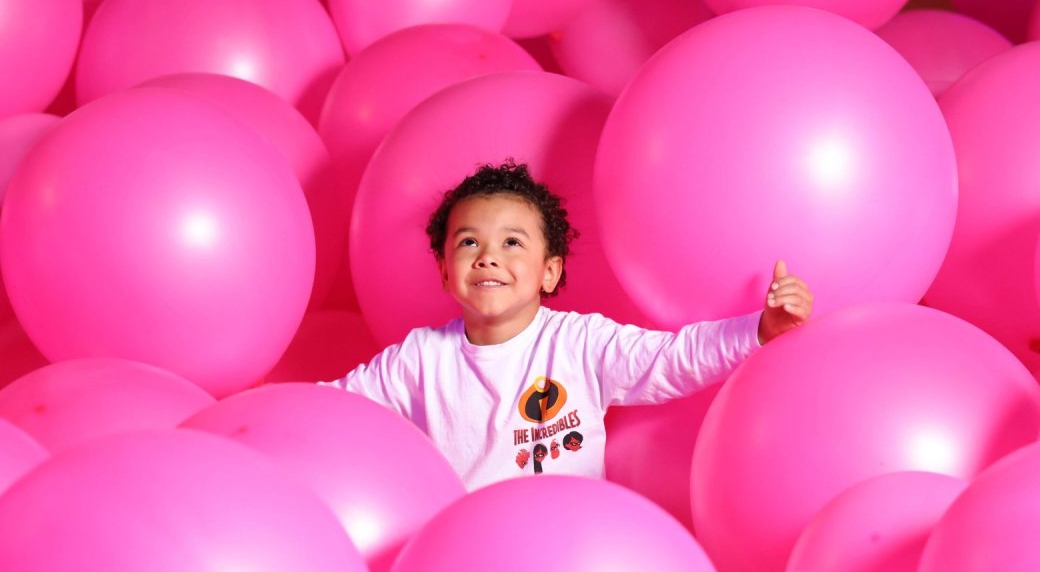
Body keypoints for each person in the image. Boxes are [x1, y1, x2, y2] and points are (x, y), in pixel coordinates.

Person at [324, 160, 813, 490]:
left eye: (512, 243)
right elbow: (333, 409)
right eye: (469, 242)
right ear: (445, 271)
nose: (488, 256)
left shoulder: (579, 343)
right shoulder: (419, 358)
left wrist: (760, 328)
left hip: (566, 545)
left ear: (550, 272)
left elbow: (671, 359)